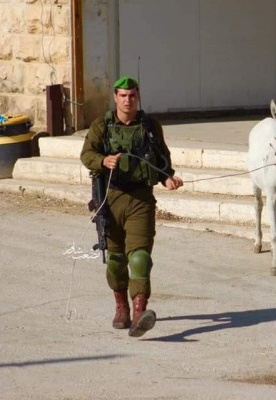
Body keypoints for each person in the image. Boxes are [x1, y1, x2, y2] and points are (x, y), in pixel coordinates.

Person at [80, 76, 183, 337]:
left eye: (132, 95)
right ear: (115, 97)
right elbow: (86, 155)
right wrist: (104, 161)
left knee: (139, 257)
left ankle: (140, 313)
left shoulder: (149, 126)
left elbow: (161, 161)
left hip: (140, 200)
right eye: (123, 96)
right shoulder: (101, 125)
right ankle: (121, 306)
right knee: (115, 260)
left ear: (138, 97)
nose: (128, 100)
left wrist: (168, 177)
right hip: (110, 200)